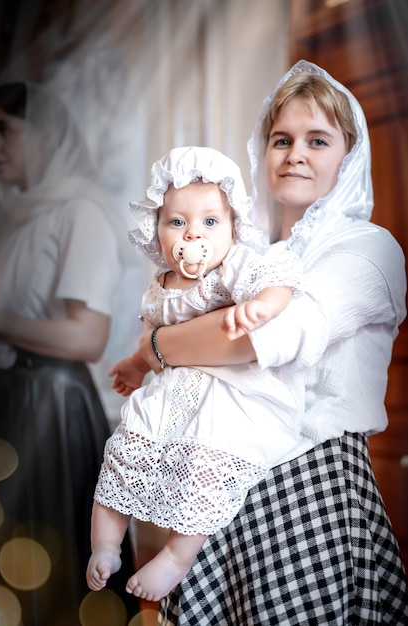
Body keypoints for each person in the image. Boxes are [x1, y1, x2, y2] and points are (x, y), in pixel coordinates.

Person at [135, 62, 408, 624]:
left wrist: (155, 346)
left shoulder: (368, 249)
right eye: (281, 139)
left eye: (318, 140)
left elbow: (268, 338)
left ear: (348, 155)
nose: (296, 154)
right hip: (222, 483)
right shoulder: (250, 254)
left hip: (310, 487)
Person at [86, 145, 311, 602]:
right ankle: (106, 545)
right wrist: (134, 365)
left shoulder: (234, 266)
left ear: (234, 227)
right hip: (171, 393)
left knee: (206, 464)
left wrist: (261, 306)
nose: (193, 235)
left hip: (227, 395)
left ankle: (176, 555)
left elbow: (277, 281)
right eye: (177, 222)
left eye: (210, 222)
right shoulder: (159, 286)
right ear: (157, 231)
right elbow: (150, 335)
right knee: (124, 449)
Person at [0, 83, 138, 625]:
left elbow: (86, 338)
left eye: (5, 128)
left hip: (51, 407)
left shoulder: (80, 213)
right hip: (10, 402)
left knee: (51, 567)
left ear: (48, 135)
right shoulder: (18, 219)